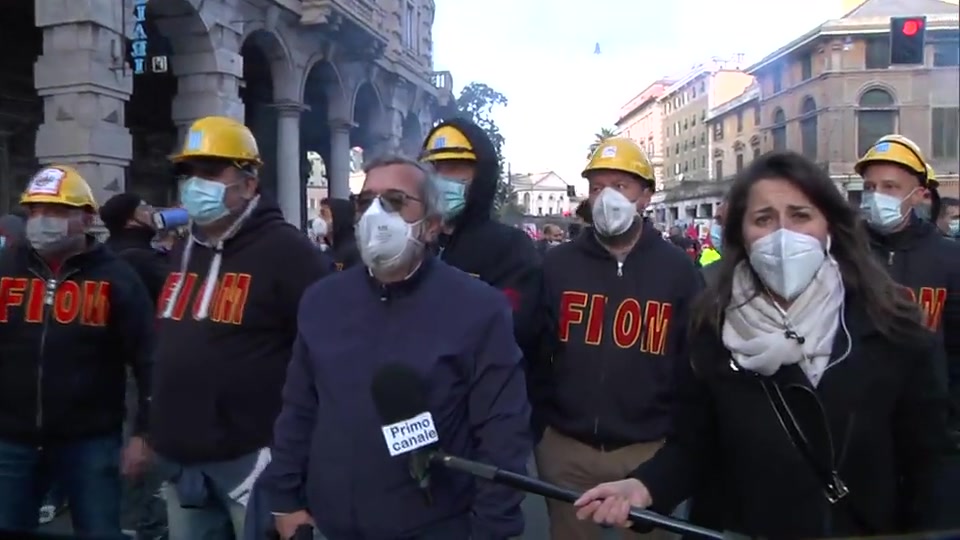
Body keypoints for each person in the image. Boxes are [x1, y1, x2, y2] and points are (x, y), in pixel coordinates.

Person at [572, 151, 951, 538]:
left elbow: (933, 459)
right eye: (763, 219)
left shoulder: (891, 326)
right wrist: (645, 486)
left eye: (800, 216)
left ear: (829, 228)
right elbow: (694, 445)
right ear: (742, 234)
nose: (782, 235)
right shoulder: (711, 323)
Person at [263, 153, 531, 540]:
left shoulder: (478, 308)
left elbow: (502, 433)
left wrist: (491, 530)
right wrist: (285, 500)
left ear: (432, 225)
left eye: (394, 201)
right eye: (365, 201)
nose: (375, 214)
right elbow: (299, 409)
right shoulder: (322, 300)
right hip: (327, 523)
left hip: (433, 526)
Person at [148, 116, 335, 540]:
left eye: (212, 172)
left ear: (250, 183)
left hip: (254, 466)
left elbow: (326, 355)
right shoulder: (184, 248)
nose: (196, 184)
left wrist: (295, 461)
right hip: (181, 461)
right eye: (189, 173)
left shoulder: (289, 252)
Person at [531, 138, 702, 540]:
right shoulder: (557, 264)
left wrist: (677, 440)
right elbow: (535, 347)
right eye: (596, 187)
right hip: (566, 450)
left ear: (645, 196)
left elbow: (692, 360)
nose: (606, 197)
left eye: (620, 186)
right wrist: (541, 428)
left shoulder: (678, 270)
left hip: (648, 453)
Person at [0, 165, 154, 535]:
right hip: (10, 440)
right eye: (34, 211)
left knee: (99, 530)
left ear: (85, 219)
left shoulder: (117, 277)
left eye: (54, 211)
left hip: (90, 442)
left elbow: (149, 358)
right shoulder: (6, 270)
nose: (41, 220)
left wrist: (143, 435)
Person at [855, 134, 960, 526]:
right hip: (858, 438)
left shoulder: (949, 260)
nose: (876, 196)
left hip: (932, 440)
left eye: (889, 187)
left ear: (917, 195)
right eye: (869, 187)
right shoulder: (844, 256)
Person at [420, 118, 541, 361]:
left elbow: (512, 330)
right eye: (433, 168)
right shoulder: (415, 243)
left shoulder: (511, 249)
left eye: (453, 166)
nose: (440, 179)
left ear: (482, 176)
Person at [319, 197, 360, 270]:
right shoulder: (329, 251)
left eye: (324, 213)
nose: (319, 218)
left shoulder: (354, 252)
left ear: (338, 216)